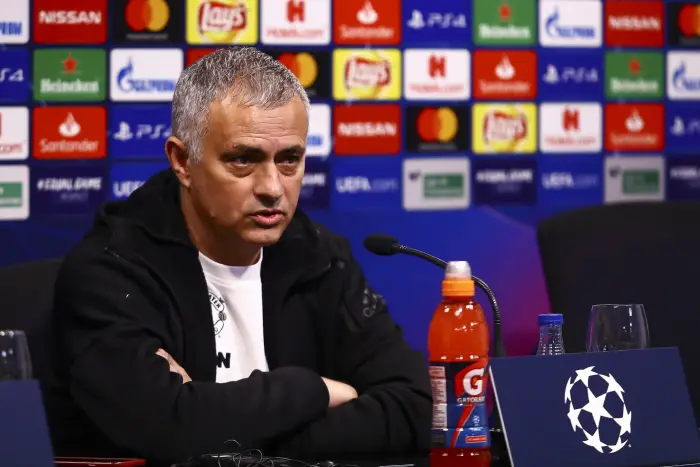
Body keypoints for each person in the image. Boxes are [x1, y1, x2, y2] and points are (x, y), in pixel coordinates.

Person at [45, 47, 432, 465]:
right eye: (243, 160)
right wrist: (313, 391)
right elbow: (163, 428)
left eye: (289, 160)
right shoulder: (112, 269)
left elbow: (418, 404)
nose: (272, 188)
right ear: (183, 161)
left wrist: (241, 444)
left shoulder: (320, 257)